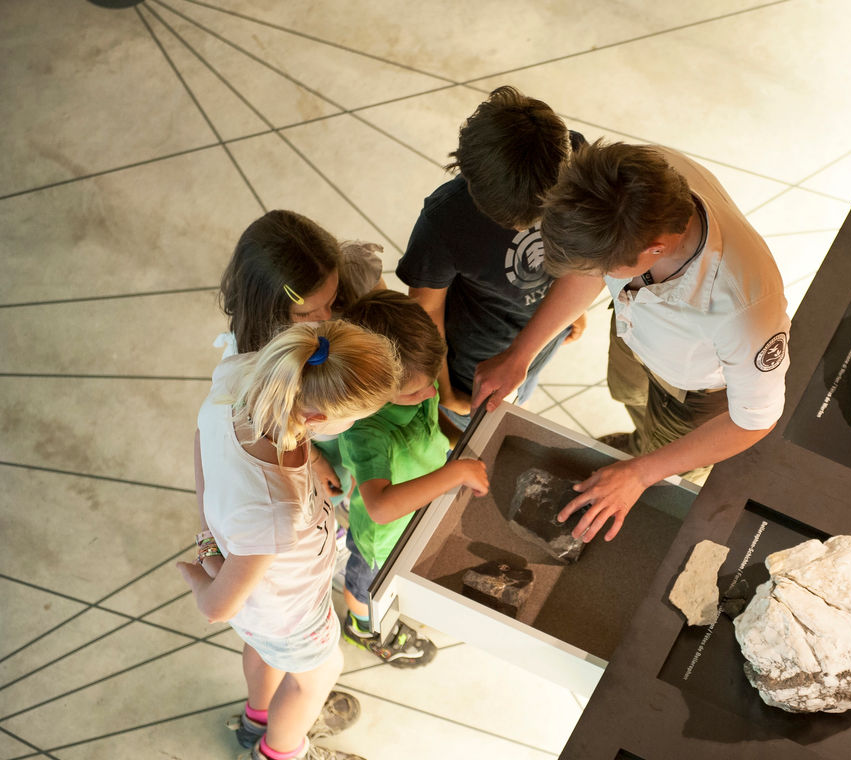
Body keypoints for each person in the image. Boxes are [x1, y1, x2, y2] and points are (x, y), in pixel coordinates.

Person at [472, 141, 791, 544]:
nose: (601, 275)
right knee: (629, 397)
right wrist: (521, 353)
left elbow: (754, 420)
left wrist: (642, 473)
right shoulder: (633, 177)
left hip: (691, 394)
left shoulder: (746, 311)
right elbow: (591, 267)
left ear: (654, 249)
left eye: (607, 268)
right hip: (634, 336)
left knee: (659, 466)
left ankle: (641, 457)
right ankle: (639, 442)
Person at [177, 320, 401, 760]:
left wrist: (208, 535)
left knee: (263, 649)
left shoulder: (240, 376)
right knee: (317, 674)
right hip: (288, 610)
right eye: (356, 418)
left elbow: (200, 441)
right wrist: (199, 571)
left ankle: (259, 716)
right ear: (319, 418)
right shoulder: (275, 505)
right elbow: (217, 608)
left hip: (265, 607)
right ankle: (280, 757)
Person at [397, 86, 586, 428]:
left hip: (544, 333)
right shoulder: (444, 221)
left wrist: (573, 305)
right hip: (477, 359)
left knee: (522, 390)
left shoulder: (579, 163)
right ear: (467, 176)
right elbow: (425, 314)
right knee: (476, 427)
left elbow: (588, 248)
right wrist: (445, 392)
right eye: (510, 220)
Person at [337, 290, 490, 663]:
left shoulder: (417, 380)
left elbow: (432, 419)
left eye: (430, 384)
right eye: (411, 393)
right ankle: (361, 627)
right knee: (365, 583)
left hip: (420, 507)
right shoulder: (365, 429)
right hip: (382, 539)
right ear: (370, 388)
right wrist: (454, 472)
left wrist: (458, 449)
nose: (427, 395)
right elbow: (381, 507)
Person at [216, 208, 386, 500]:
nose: (326, 317)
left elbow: (390, 321)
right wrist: (317, 461)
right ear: (269, 308)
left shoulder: (356, 273)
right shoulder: (251, 358)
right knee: (339, 489)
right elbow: (275, 424)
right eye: (305, 313)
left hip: (372, 402)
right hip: (321, 439)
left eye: (332, 300)